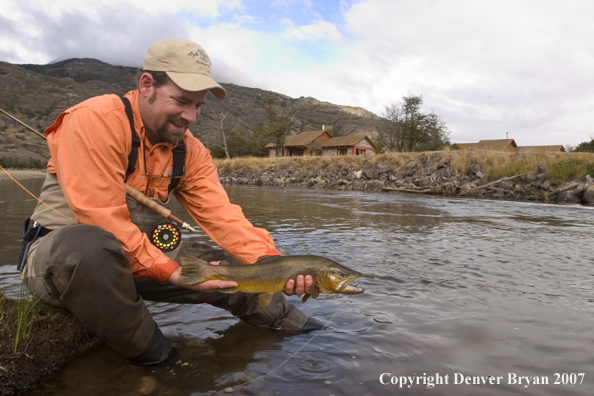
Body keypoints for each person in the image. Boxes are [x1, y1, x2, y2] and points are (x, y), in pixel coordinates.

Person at [18, 38, 323, 365]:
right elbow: (101, 218)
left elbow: (225, 219)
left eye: (198, 106)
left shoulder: (190, 151)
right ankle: (164, 363)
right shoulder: (94, 119)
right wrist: (169, 271)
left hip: (137, 257)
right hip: (63, 259)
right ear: (147, 84)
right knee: (91, 248)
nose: (190, 116)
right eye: (181, 101)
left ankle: (304, 330)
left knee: (223, 267)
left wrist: (277, 266)